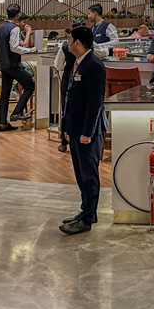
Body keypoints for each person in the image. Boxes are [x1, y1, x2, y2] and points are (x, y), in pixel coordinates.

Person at [57, 25, 106, 236]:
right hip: (75, 129)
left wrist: (87, 132)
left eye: (69, 39)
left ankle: (87, 217)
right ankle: (86, 209)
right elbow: (71, 98)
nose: (67, 43)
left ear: (78, 42)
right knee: (79, 171)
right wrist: (67, 127)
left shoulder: (94, 65)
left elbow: (95, 103)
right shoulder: (78, 63)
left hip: (88, 131)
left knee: (88, 174)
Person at [0, 5, 36, 132]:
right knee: (30, 85)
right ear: (17, 15)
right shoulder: (14, 29)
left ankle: (2, 123)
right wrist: (29, 50)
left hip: (3, 64)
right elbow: (14, 47)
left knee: (5, 93)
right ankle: (17, 112)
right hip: (13, 63)